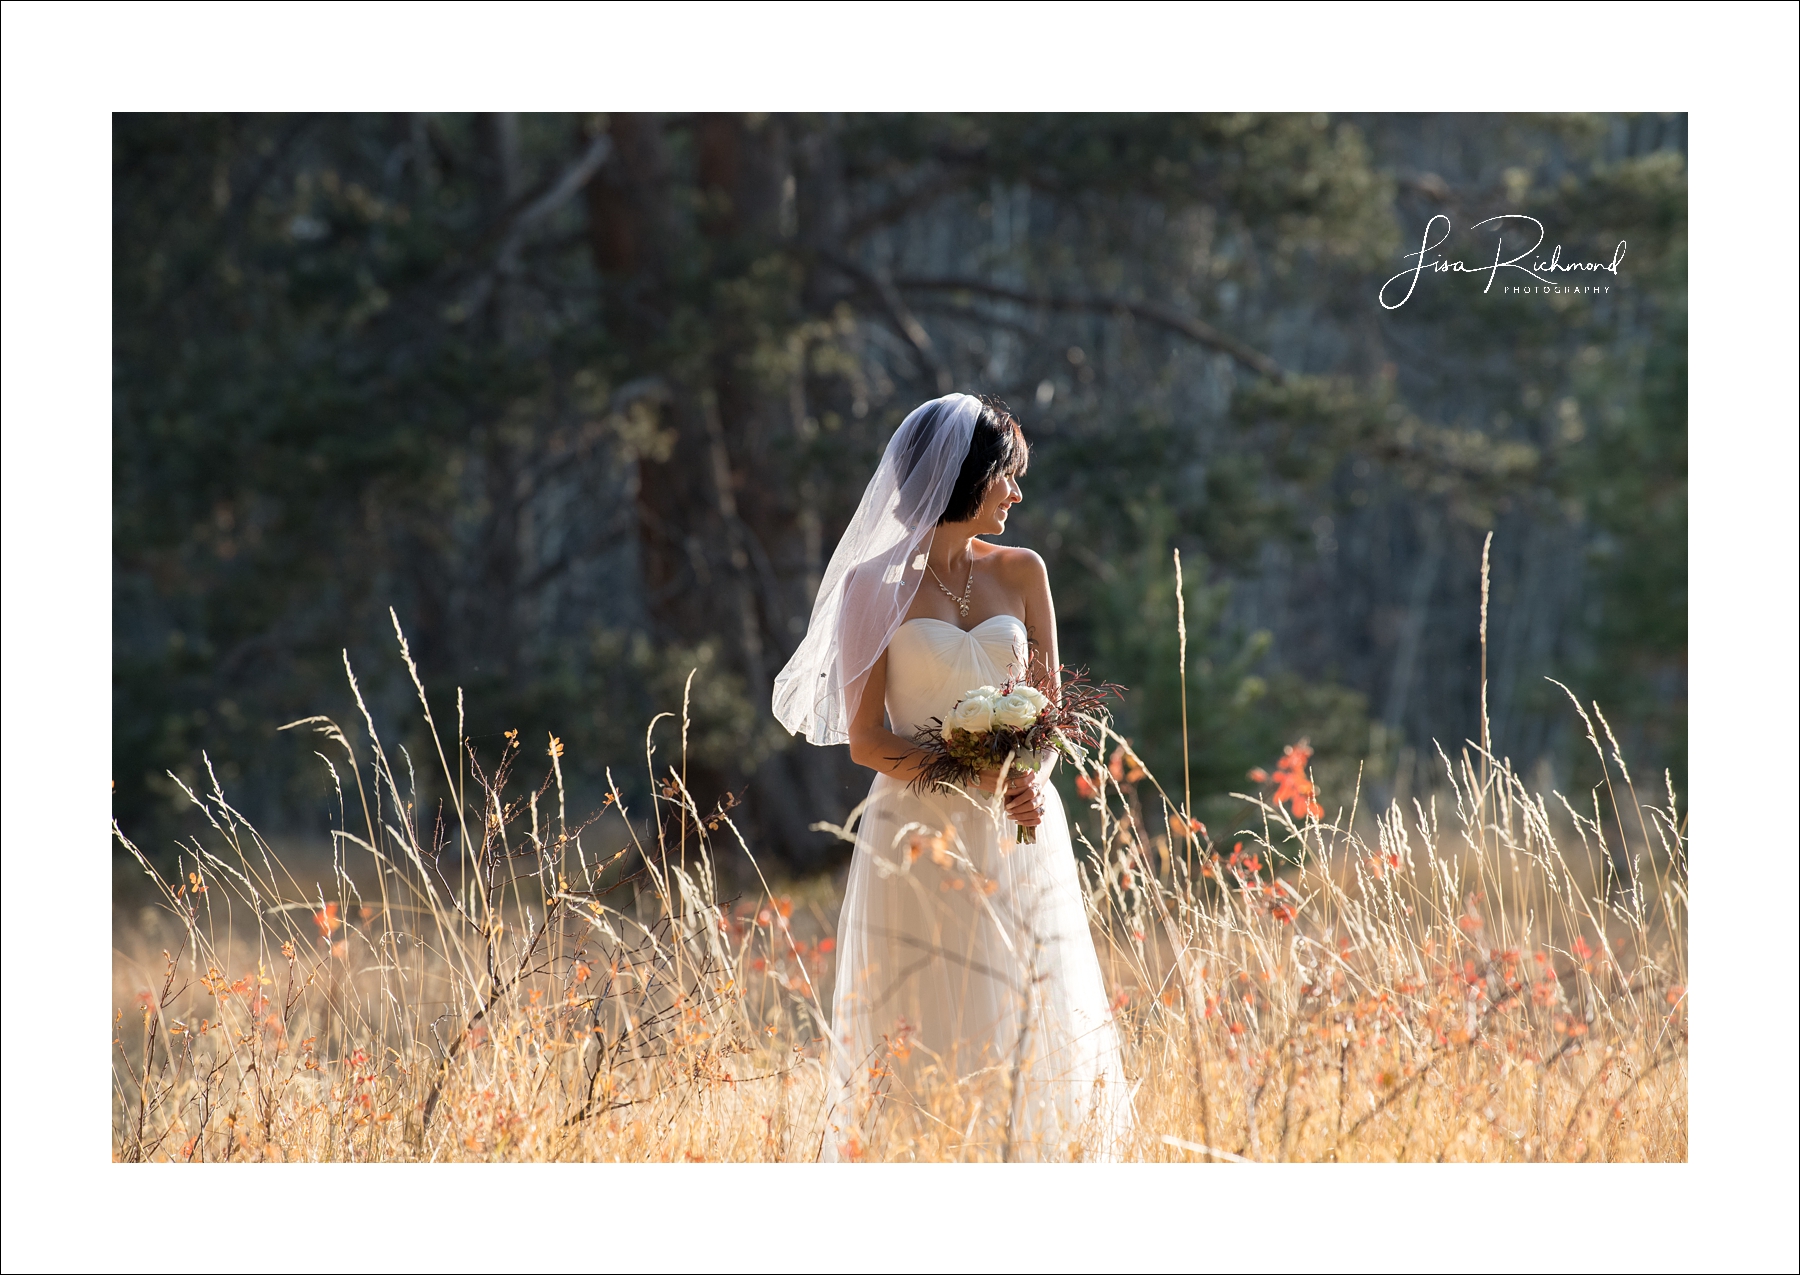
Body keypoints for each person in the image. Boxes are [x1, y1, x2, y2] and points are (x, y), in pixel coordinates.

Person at [773, 392, 1133, 1161]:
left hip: (1018, 826)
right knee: (926, 1018)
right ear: (968, 477)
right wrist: (964, 776)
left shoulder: (1023, 571)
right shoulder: (872, 587)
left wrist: (1024, 774)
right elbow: (867, 739)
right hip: (916, 834)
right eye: (1009, 475)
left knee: (1028, 1010)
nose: (1018, 492)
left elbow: (1052, 715)